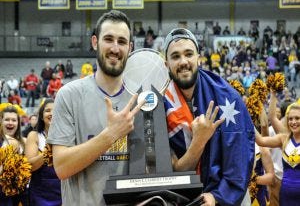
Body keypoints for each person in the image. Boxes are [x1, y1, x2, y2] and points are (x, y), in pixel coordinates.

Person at [47, 10, 144, 205]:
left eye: (122, 42)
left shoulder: (142, 100)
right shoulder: (69, 95)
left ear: (130, 48)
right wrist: (110, 135)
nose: (115, 48)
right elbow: (61, 167)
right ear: (94, 42)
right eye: (108, 39)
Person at [163, 28, 255, 205]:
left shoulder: (227, 98)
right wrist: (199, 141)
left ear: (199, 58)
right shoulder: (160, 104)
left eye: (189, 54)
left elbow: (240, 159)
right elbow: (175, 172)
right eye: (175, 56)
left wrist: (216, 196)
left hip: (229, 198)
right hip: (186, 198)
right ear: (166, 64)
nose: (183, 62)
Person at [255, 100, 300, 206]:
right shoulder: (284, 139)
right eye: (290, 119)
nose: (293, 122)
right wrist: (246, 118)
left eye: (297, 118)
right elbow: (260, 141)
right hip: (285, 194)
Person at [25, 98, 62, 205]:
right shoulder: (34, 135)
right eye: (47, 110)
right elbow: (30, 166)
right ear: (41, 116)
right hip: (40, 193)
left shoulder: (68, 135)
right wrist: (50, 148)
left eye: (55, 110)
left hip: (63, 189)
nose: (51, 113)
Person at [0, 105, 28, 206]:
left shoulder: (24, 142)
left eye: (14, 120)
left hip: (21, 195)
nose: (10, 123)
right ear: (1, 121)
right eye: (7, 119)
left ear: (18, 123)